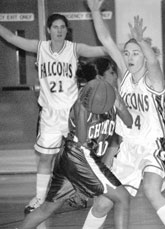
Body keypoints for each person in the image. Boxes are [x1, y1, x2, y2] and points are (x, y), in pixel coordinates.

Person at [83, 1, 165, 228]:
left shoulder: (154, 81)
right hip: (128, 149)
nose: (129, 56)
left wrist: (141, 41)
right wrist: (95, 11)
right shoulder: (125, 76)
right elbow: (107, 41)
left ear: (144, 56)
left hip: (154, 146)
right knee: (101, 204)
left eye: (135, 53)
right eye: (127, 53)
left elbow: (154, 62)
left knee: (151, 189)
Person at [0, 14, 108, 214]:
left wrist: (124, 45)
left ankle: (84, 193)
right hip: (50, 115)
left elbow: (102, 49)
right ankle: (39, 198)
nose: (59, 30)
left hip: (72, 114)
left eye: (63, 27)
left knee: (80, 157)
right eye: (56, 27)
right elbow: (11, 38)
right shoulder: (39, 47)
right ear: (48, 29)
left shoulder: (74, 49)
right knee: (45, 159)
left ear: (67, 30)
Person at [18, 59, 133, 228]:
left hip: (71, 158)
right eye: (112, 72)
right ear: (99, 77)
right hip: (80, 154)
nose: (116, 76)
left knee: (47, 208)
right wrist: (85, 109)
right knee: (122, 198)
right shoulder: (83, 100)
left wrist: (120, 106)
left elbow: (129, 123)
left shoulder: (112, 95)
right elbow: (82, 138)